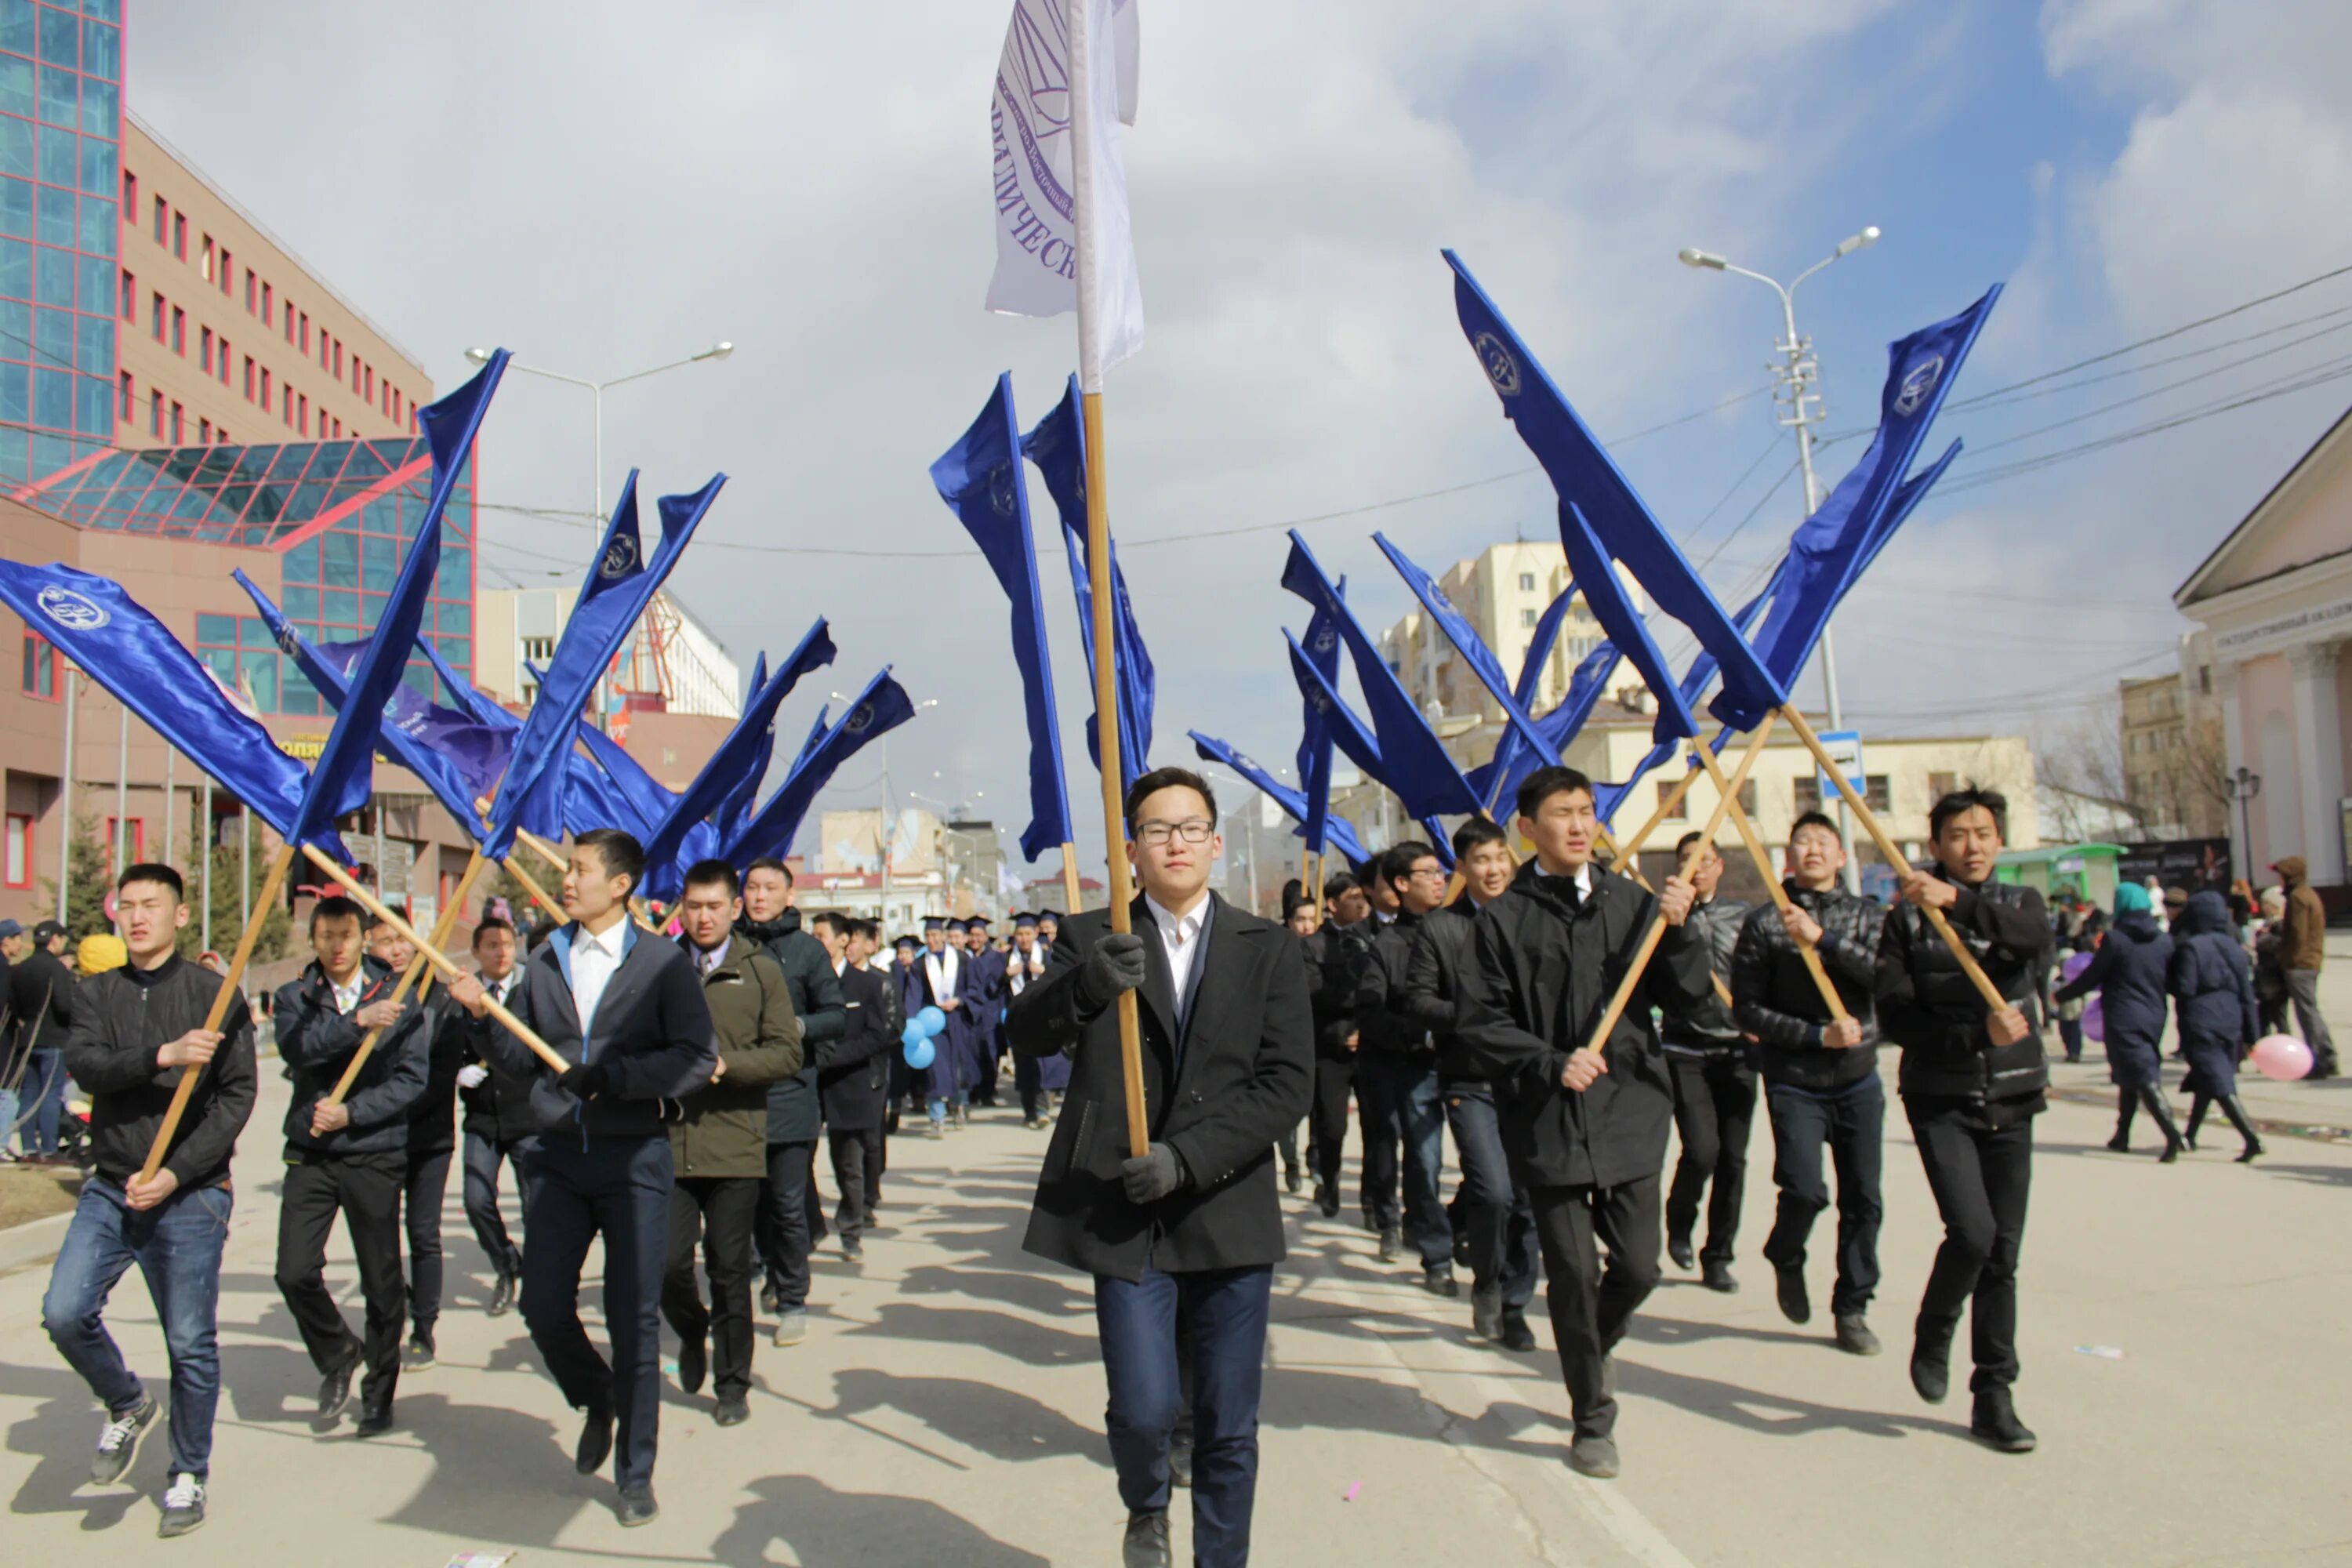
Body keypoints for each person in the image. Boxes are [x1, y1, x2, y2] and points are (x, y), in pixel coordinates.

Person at [1008, 767, 1312, 1568]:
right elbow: (1026, 1032)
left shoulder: (1268, 946)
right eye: (1155, 829)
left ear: (1215, 843)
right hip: (1126, 1211)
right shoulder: (1091, 936)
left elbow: (1288, 1082)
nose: (1173, 842)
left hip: (1226, 1209)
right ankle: (1145, 1500)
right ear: (1131, 852)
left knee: (1227, 1420)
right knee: (1144, 1408)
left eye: (1189, 827)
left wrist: (1189, 1158)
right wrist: (1084, 985)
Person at [448, 829, 719, 1526]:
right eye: (568, 870)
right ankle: (596, 1395)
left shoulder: (663, 962)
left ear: (621, 884)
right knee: (542, 1306)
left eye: (580, 870)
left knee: (633, 1317)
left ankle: (635, 1471)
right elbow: (520, 1060)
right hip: (557, 1159)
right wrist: (481, 1021)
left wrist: (617, 1079)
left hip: (635, 1159)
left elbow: (694, 1055)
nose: (567, 881)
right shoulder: (546, 958)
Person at [1456, 766, 1703, 1481]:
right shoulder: (1501, 919)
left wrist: (1680, 932)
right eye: (1561, 812)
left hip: (1630, 1111)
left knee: (1636, 1267)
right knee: (1571, 1274)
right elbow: (1480, 1022)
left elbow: (1683, 999)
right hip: (1548, 1121)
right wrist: (1547, 1061)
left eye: (1587, 810)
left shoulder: (1633, 902)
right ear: (1527, 828)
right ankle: (1592, 1417)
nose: (1577, 824)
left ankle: (1593, 1340)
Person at [43, 864, 254, 1538]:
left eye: (151, 906)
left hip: (189, 1195)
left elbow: (236, 1096)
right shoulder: (95, 992)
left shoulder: (215, 995)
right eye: (126, 907)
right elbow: (89, 1067)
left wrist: (179, 1171)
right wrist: (162, 1054)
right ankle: (127, 1403)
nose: (137, 918)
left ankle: (188, 1472)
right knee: (65, 1311)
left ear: (180, 916)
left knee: (189, 1342)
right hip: (110, 1186)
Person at [1875, 786, 2048, 1454]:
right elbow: (1897, 1019)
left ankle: (1994, 1393)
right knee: (1972, 1233)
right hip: (1940, 1096)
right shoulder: (1906, 923)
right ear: (1936, 846)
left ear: (1998, 842)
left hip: (2014, 1097)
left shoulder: (2019, 904)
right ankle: (1935, 1325)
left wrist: (1961, 904)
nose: (1971, 846)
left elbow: (2031, 941)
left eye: (1982, 833)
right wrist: (1979, 1032)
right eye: (1957, 835)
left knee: (2003, 1253)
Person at [271, 895, 431, 1436]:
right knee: (293, 1270)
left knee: (381, 1278)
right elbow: (299, 1050)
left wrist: (352, 1113)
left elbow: (411, 1080)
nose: (337, 947)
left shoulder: (400, 995)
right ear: (312, 941)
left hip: (373, 1150)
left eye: (346, 936)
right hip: (312, 1152)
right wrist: (358, 1023)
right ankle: (338, 1350)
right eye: (326, 937)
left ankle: (379, 1391)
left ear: (364, 938)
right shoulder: (293, 996)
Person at [1730, 812, 1888, 1354]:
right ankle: (1786, 1252)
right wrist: (1814, 1035)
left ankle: (1852, 1307)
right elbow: (1746, 1009)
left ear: (1842, 857)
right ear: (1788, 857)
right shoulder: (1765, 923)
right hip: (1794, 1077)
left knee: (1863, 1197)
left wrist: (1822, 940)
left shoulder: (1869, 916)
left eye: (1824, 841)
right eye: (1803, 841)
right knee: (1804, 1189)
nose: (1813, 849)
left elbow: (1884, 977)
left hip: (1858, 1078)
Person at [662, 860, 802, 1426]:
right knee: (667, 1265)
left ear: (733, 909)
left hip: (736, 1142)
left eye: (714, 907)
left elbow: (787, 1053)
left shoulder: (761, 970)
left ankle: (732, 1383)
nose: (702, 917)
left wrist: (728, 1066)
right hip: (668, 1143)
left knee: (729, 1268)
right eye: (693, 907)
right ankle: (692, 1328)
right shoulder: (659, 968)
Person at [1403, 818, 1537, 1348]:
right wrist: (1469, 1016)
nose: (1494, 868)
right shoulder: (1441, 929)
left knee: (1527, 1198)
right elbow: (1417, 1000)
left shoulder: (1530, 919)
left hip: (1528, 1080)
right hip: (1471, 1078)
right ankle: (1486, 1280)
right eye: (1481, 860)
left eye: (1500, 857)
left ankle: (1514, 1303)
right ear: (1463, 867)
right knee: (1493, 1191)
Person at [733, 857, 844, 1341]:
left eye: (769, 888)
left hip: (790, 1096)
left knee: (787, 1203)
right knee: (745, 1202)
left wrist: (797, 1027)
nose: (759, 897)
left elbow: (835, 1015)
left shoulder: (806, 952)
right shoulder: (724, 948)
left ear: (788, 896)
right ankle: (764, 1272)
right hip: (734, 1100)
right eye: (752, 888)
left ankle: (792, 1297)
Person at [1656, 831, 1754, 1298]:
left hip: (1738, 1050)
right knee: (1702, 1149)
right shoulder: (1664, 918)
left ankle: (1719, 1255)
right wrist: (1672, 924)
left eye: (1706, 859)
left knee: (1733, 1159)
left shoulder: (1744, 917)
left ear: (1719, 867)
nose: (1697, 867)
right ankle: (1679, 1222)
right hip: (1685, 1048)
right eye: (1687, 859)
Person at [1352, 842, 1454, 1289]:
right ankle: (1435, 1256)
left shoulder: (1462, 931)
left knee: (1494, 1173)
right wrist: (1419, 1033)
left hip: (1471, 1065)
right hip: (1411, 1067)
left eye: (1442, 871)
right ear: (1401, 883)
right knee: (1422, 1159)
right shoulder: (1387, 947)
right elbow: (1371, 1012)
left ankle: (1456, 1227)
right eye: (1428, 872)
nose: (1439, 880)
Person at [383, 913, 461, 1370]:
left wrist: (388, 1100)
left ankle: (424, 1326)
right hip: (376, 1137)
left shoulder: (442, 997)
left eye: (402, 940)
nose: (395, 950)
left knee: (422, 1232)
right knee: (379, 1234)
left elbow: (440, 1074)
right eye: (384, 941)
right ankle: (396, 1305)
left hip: (429, 1135)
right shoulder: (370, 995)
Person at [2051, 884, 2180, 1158]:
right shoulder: (2163, 940)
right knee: (2128, 1076)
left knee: (2142, 1076)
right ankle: (2122, 1135)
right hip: (2155, 1014)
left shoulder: (2116, 939)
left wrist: (2061, 996)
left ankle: (2172, 1134)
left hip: (2124, 1014)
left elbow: (2093, 976)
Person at [452, 917, 534, 1316]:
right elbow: (445, 1046)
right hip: (483, 1116)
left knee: (536, 1204)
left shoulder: (533, 988)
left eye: (506, 943)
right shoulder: (463, 995)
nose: (501, 951)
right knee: (476, 1197)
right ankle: (506, 1264)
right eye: (491, 945)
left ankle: (540, 1276)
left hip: (529, 1115)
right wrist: (458, 1071)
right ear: (476, 952)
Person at [2169, 890, 2266, 1162]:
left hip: (2203, 1018)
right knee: (2206, 1079)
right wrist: (2252, 1034)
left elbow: (2185, 988)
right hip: (2231, 1016)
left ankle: (2251, 1137)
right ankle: (2190, 1136)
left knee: (2218, 1081)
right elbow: (2247, 993)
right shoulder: (2234, 946)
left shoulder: (2192, 947)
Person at [820, 917, 891, 1250]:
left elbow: (878, 1036)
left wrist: (833, 1057)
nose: (815, 941)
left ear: (842, 940)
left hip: (850, 1086)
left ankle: (851, 1227)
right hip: (810, 1088)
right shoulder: (807, 984)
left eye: (821, 936)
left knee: (849, 1163)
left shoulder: (867, 985)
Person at [1305, 870, 1370, 1222]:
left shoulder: (1376, 940)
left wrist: (1367, 1028)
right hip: (1330, 1051)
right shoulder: (1313, 946)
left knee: (1377, 1130)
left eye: (1364, 896)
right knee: (1332, 1127)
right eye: (1353, 898)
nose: (1362, 904)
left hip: (1372, 1046)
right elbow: (1315, 995)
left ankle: (1373, 1201)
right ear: (1332, 905)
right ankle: (1329, 1183)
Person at [12, 918, 74, 1163]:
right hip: (53, 1038)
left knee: (28, 1094)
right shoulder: (56, 968)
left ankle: (28, 1149)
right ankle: (49, 1149)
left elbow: (14, 1005)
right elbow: (63, 1005)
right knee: (50, 1094)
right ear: (55, 940)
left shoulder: (21, 968)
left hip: (26, 1039)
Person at [2271, 856, 2336, 1079]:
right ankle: (2327, 1055)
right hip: (2309, 961)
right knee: (2311, 1011)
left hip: (2300, 964)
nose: (2278, 880)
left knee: (2307, 1013)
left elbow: (2298, 933)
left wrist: (2288, 959)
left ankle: (2320, 1059)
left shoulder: (2298, 898)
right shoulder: (2307, 894)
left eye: (2280, 875)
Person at [916, 915, 968, 1135]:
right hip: (932, 1022)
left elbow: (973, 988)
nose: (931, 939)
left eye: (935, 934)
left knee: (957, 1068)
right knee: (935, 1071)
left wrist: (959, 1000)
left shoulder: (962, 959)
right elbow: (915, 995)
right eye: (927, 935)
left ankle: (958, 1107)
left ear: (943, 936)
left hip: (956, 1019)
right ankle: (937, 1117)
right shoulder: (921, 964)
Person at [1004, 913, 1055, 1128]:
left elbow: (1060, 978)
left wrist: (1043, 971)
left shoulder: (1047, 957)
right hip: (1018, 1019)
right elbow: (991, 988)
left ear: (1036, 933)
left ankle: (1042, 1108)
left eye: (1028, 934)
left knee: (1042, 1062)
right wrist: (1005, 975)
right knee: (1024, 1065)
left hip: (1042, 1017)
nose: (1024, 939)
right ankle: (1029, 1110)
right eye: (1020, 934)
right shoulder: (1006, 959)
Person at [965, 913, 1007, 1108]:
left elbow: (998, 985)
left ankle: (987, 1092)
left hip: (989, 1013)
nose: (975, 938)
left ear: (985, 936)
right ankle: (973, 1091)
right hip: (969, 1015)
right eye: (972, 934)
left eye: (979, 935)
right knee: (971, 1053)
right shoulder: (963, 958)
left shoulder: (995, 958)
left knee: (990, 1053)